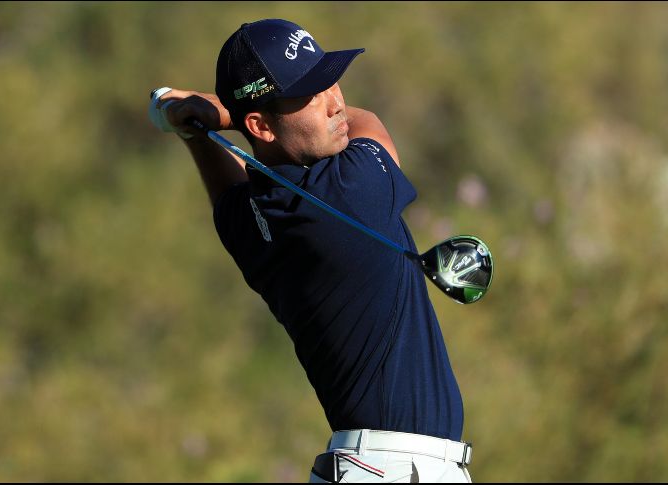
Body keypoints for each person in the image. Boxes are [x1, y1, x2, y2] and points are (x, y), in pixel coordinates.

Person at [148, 18, 472, 483]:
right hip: (396, 470)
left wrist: (195, 129)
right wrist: (213, 111)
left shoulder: (249, 221)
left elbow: (226, 190)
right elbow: (369, 124)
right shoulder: (351, 192)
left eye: (331, 83)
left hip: (372, 467)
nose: (336, 103)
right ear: (259, 125)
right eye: (311, 95)